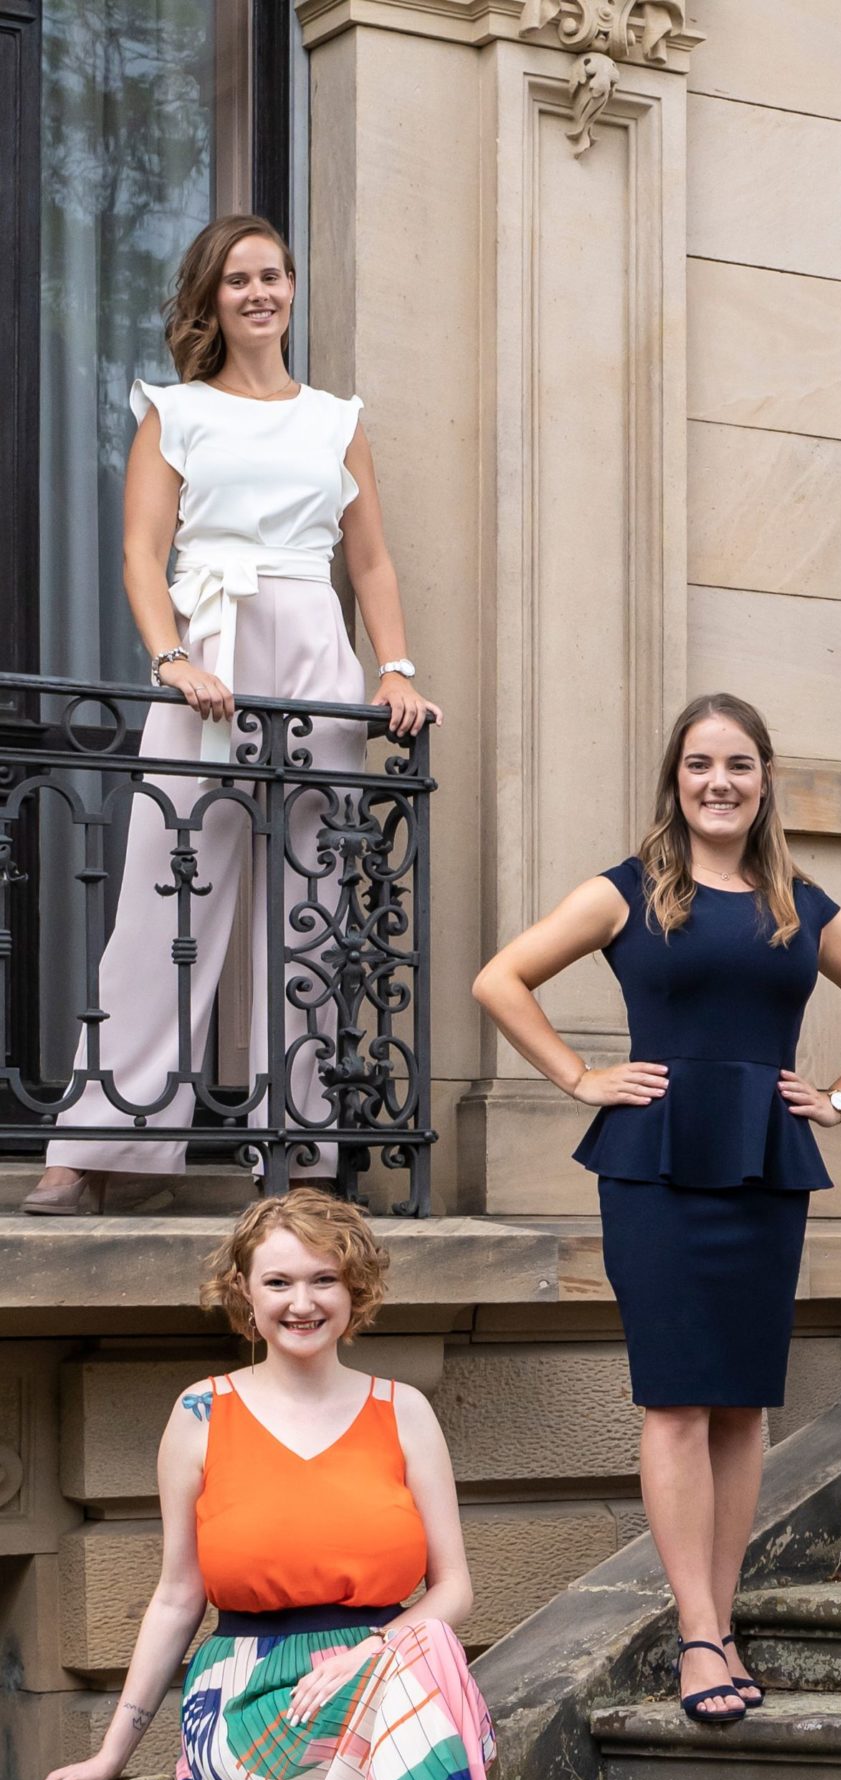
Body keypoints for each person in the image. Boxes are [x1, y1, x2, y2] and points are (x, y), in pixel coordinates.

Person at [472, 695, 841, 1727]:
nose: (718, 781)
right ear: (674, 779)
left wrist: (840, 1096)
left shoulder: (800, 903)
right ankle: (699, 1634)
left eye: (738, 764)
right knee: (675, 1398)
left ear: (765, 777)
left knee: (742, 1402)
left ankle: (718, 1614)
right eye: (698, 764)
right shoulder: (626, 892)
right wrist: (580, 1074)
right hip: (657, 1167)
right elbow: (501, 980)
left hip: (765, 1164)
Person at [14, 1193, 498, 1780]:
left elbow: (455, 1589)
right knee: (422, 1665)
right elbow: (175, 1596)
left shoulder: (405, 1412)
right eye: (279, 1280)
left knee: (427, 1639)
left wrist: (367, 1649)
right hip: (255, 1699)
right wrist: (112, 1749)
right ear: (244, 1291)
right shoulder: (202, 1413)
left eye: (324, 1279)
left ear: (356, 1290)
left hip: (384, 1673)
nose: (303, 1300)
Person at [24, 214, 438, 1215]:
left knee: (313, 908)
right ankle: (96, 1145)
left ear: (292, 290)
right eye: (237, 280)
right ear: (213, 299)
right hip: (207, 653)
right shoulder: (174, 410)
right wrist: (170, 656)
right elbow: (139, 551)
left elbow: (369, 560)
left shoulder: (336, 419)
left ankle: (299, 1154)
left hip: (312, 653)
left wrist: (394, 667)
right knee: (167, 896)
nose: (258, 293)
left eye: (272, 276)